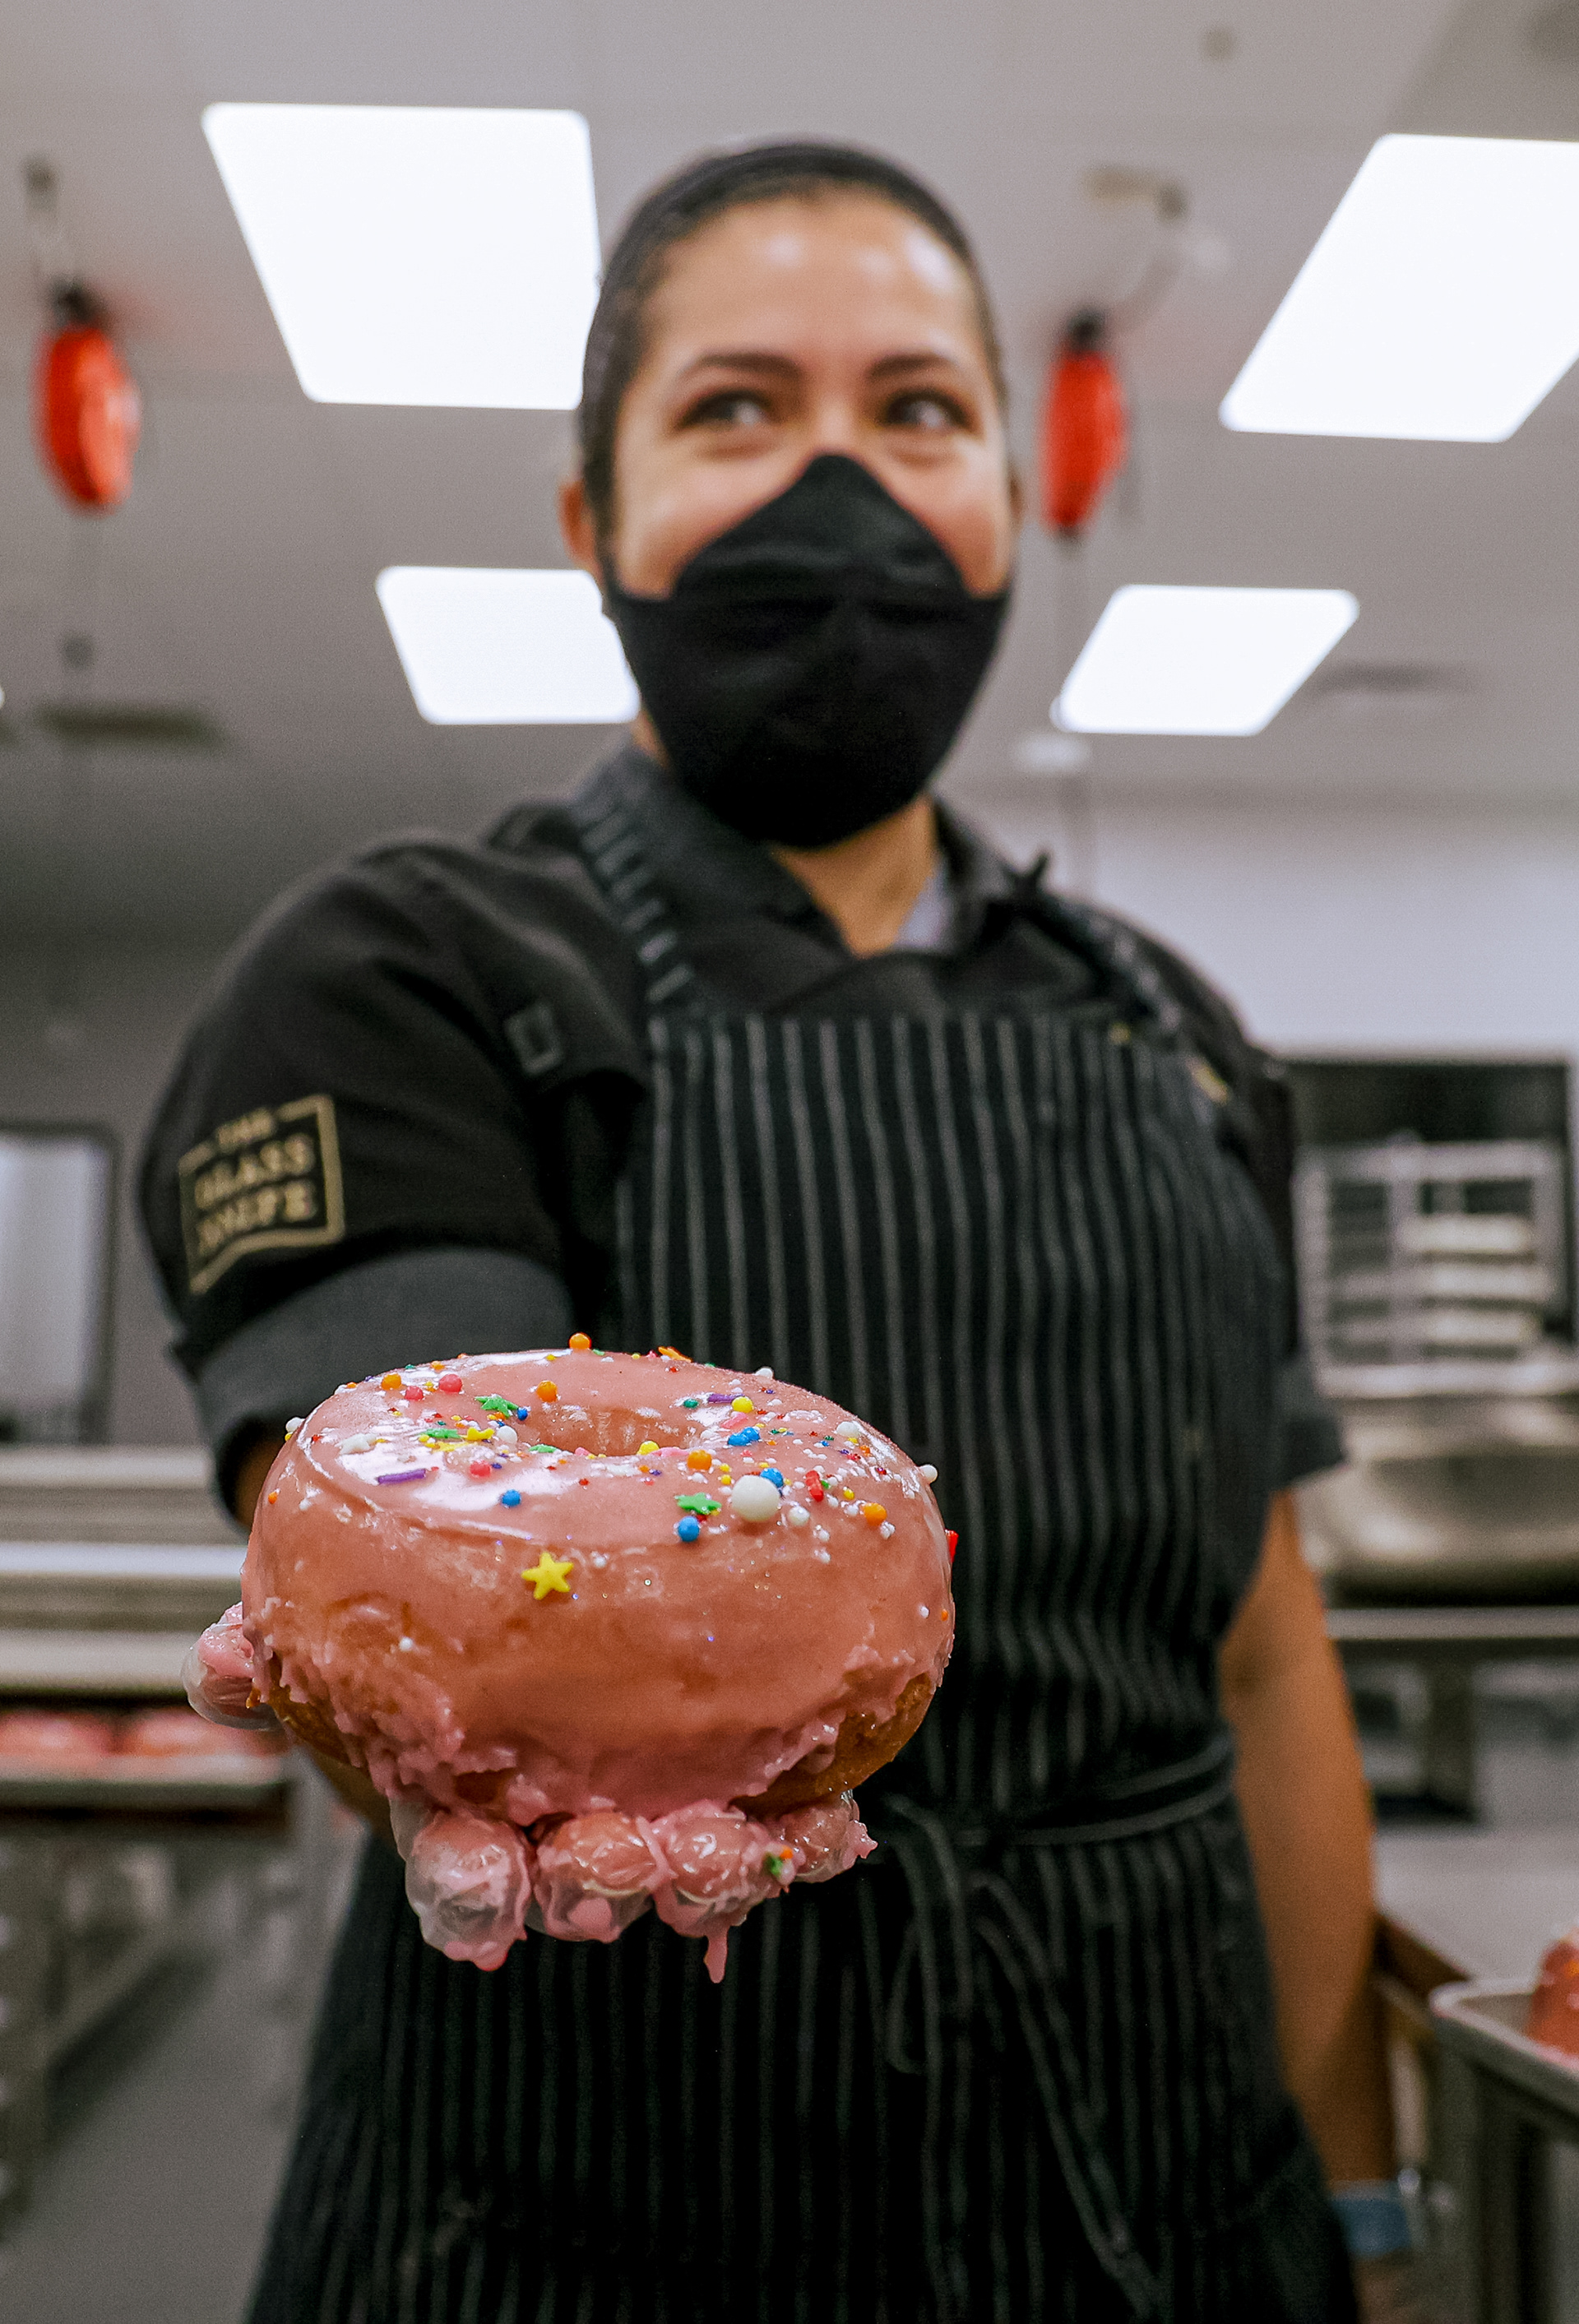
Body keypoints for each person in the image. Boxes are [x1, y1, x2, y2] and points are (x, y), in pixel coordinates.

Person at [141, 141, 1417, 2323]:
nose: (843, 484)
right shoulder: (409, 973)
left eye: (919, 413)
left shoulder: (1174, 1035)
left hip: (1168, 2218)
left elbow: (1264, 1650)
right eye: (737, 408)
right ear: (590, 520)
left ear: (1015, 496)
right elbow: (427, 1630)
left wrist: (1364, 2212)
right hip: (577, 2240)